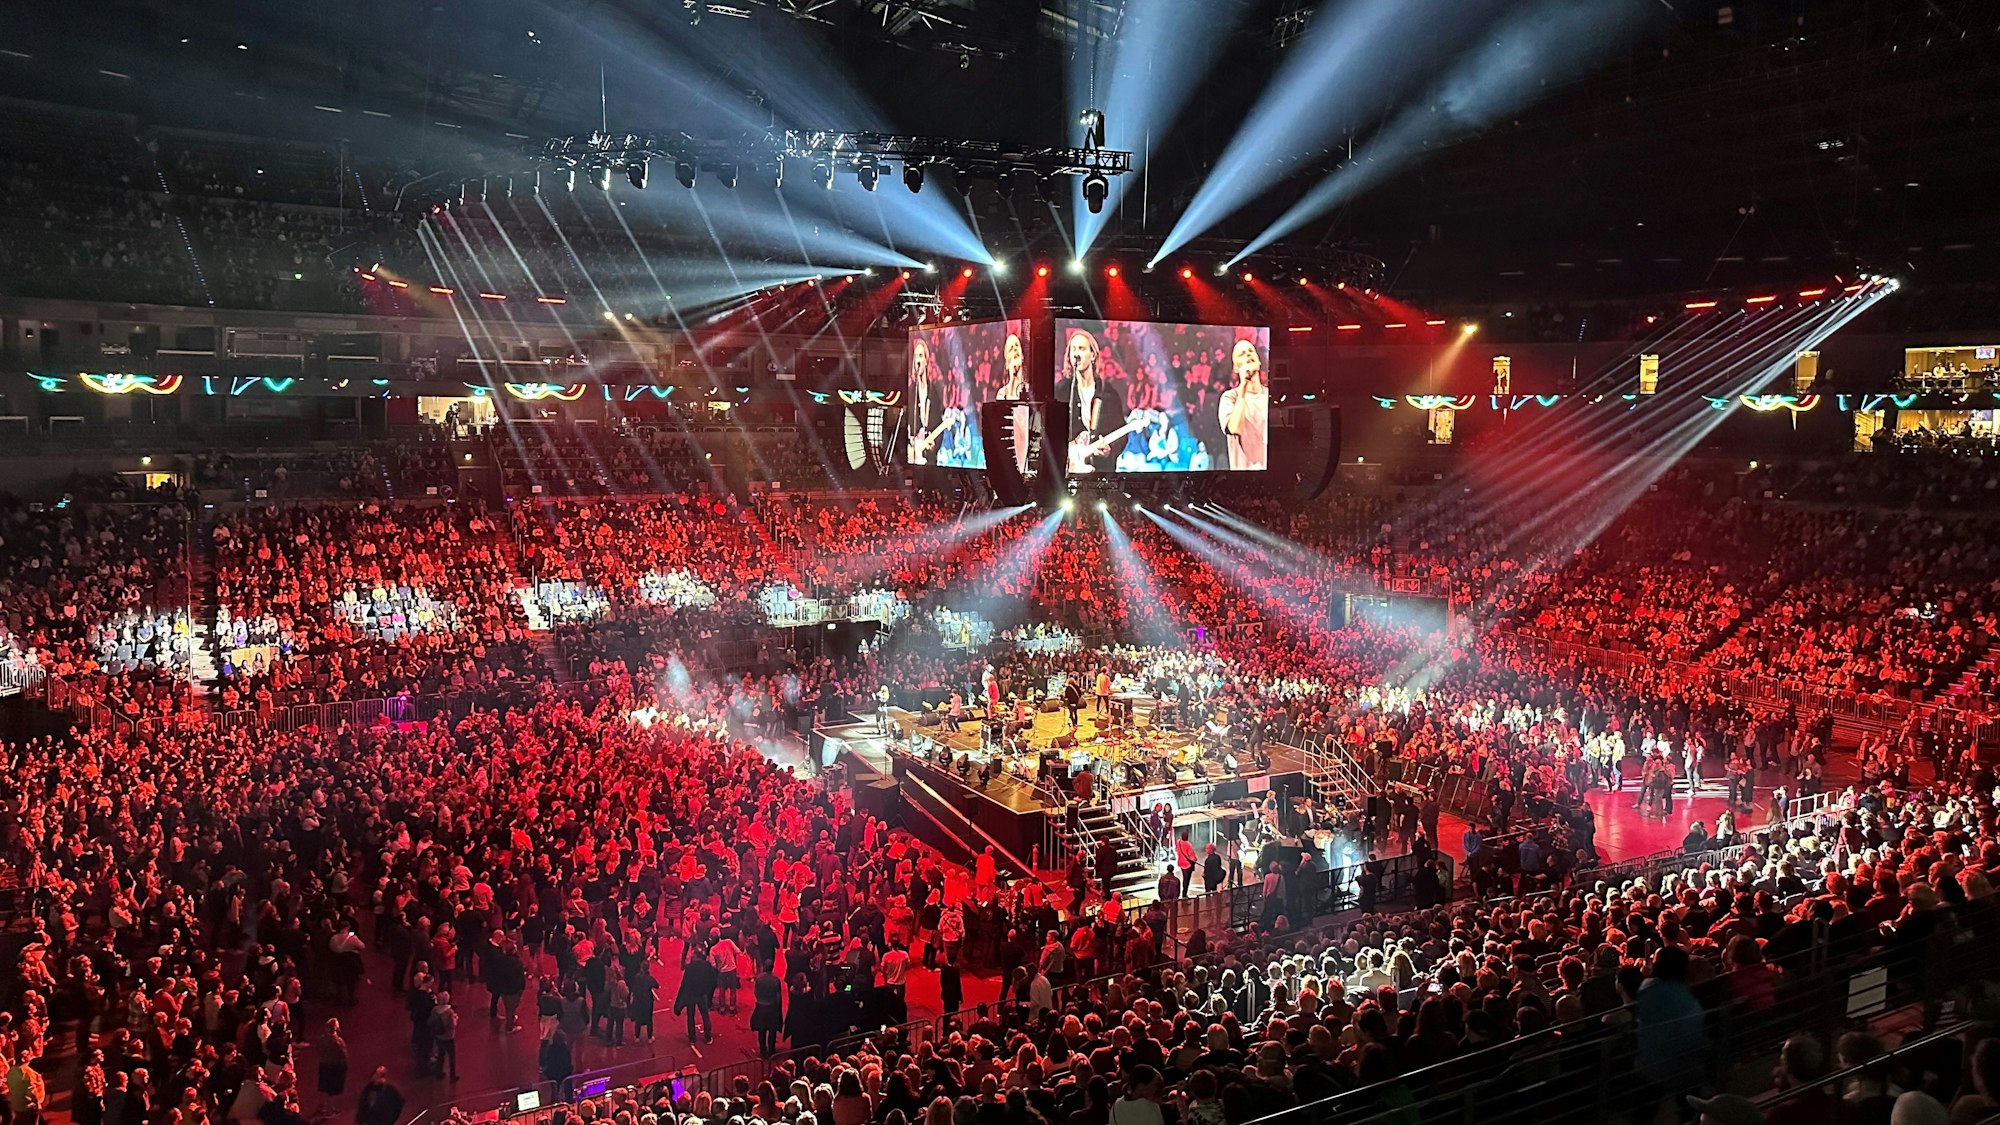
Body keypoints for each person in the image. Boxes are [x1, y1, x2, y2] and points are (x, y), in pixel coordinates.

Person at [1056, 327, 1127, 474]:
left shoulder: (1108, 394)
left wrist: (1110, 449)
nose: (1077, 354)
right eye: (1073, 349)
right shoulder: (1061, 391)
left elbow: (1121, 434)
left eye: (1081, 349)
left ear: (1093, 355)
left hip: (1100, 474)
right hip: (1068, 473)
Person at [1218, 338, 1269, 471]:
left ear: (1258, 361)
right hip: (1243, 478)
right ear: (1236, 367)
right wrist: (1243, 389)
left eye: (1251, 351)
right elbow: (1235, 428)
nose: (1248, 354)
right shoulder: (1229, 398)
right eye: (1242, 353)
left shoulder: (1270, 396)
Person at [675, 944, 717, 1043]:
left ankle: (692, 1038)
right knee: (705, 1015)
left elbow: (684, 984)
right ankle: (708, 1037)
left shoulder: (689, 968)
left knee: (690, 1017)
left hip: (691, 995)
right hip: (702, 994)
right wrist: (708, 991)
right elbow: (713, 980)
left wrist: (680, 999)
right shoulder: (707, 965)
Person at [750, 965, 784, 1058]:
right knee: (772, 1030)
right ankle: (772, 1050)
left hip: (761, 1005)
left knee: (761, 1030)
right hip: (772, 1006)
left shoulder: (759, 978)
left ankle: (762, 1050)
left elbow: (756, 991)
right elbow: (778, 996)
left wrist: (759, 999)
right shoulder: (776, 980)